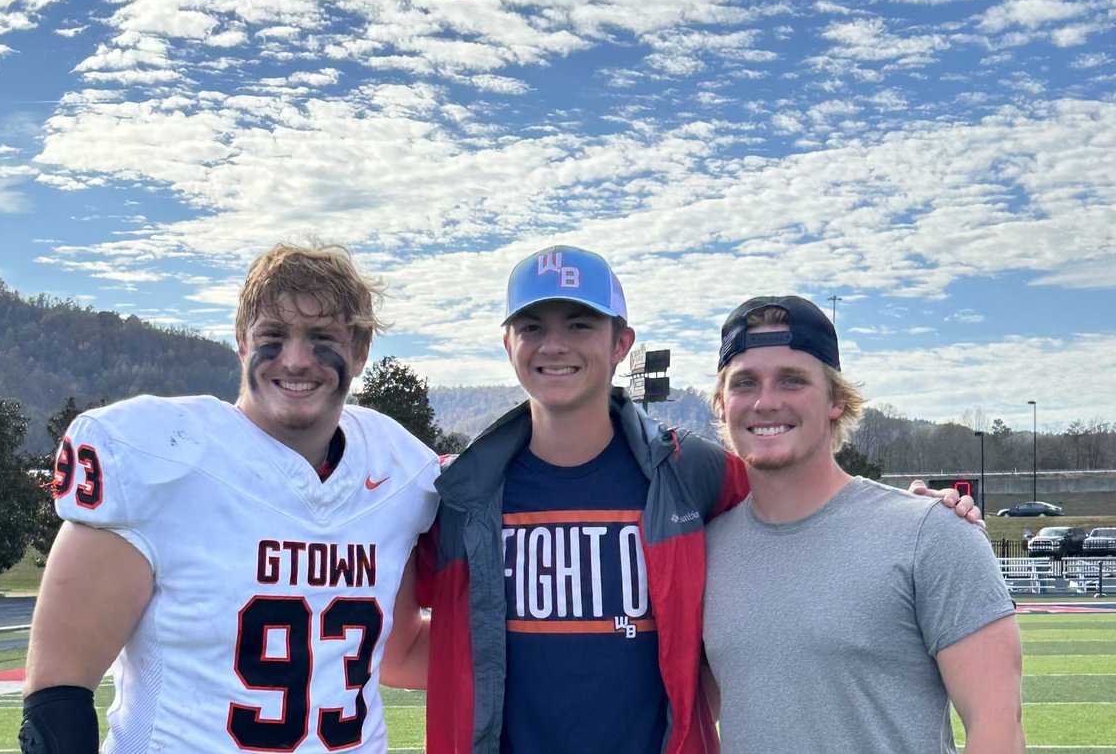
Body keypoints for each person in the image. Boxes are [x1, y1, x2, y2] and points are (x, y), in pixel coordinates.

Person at [417, 246, 980, 754]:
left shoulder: (693, 471)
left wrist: (922, 519)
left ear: (621, 344)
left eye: (580, 323)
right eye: (533, 325)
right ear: (507, 343)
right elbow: (395, 641)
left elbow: (801, 505)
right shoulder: (461, 493)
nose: (555, 343)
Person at [20, 242, 439, 754]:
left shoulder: (398, 470)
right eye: (274, 335)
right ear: (242, 342)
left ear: (359, 351)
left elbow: (400, 653)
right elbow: (57, 696)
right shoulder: (160, 459)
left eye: (322, 336)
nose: (297, 359)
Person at [702, 296, 1024, 754]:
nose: (765, 401)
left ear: (836, 400)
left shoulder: (932, 533)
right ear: (721, 404)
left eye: (792, 381)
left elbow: (999, 726)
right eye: (745, 383)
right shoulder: (707, 548)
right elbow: (694, 711)